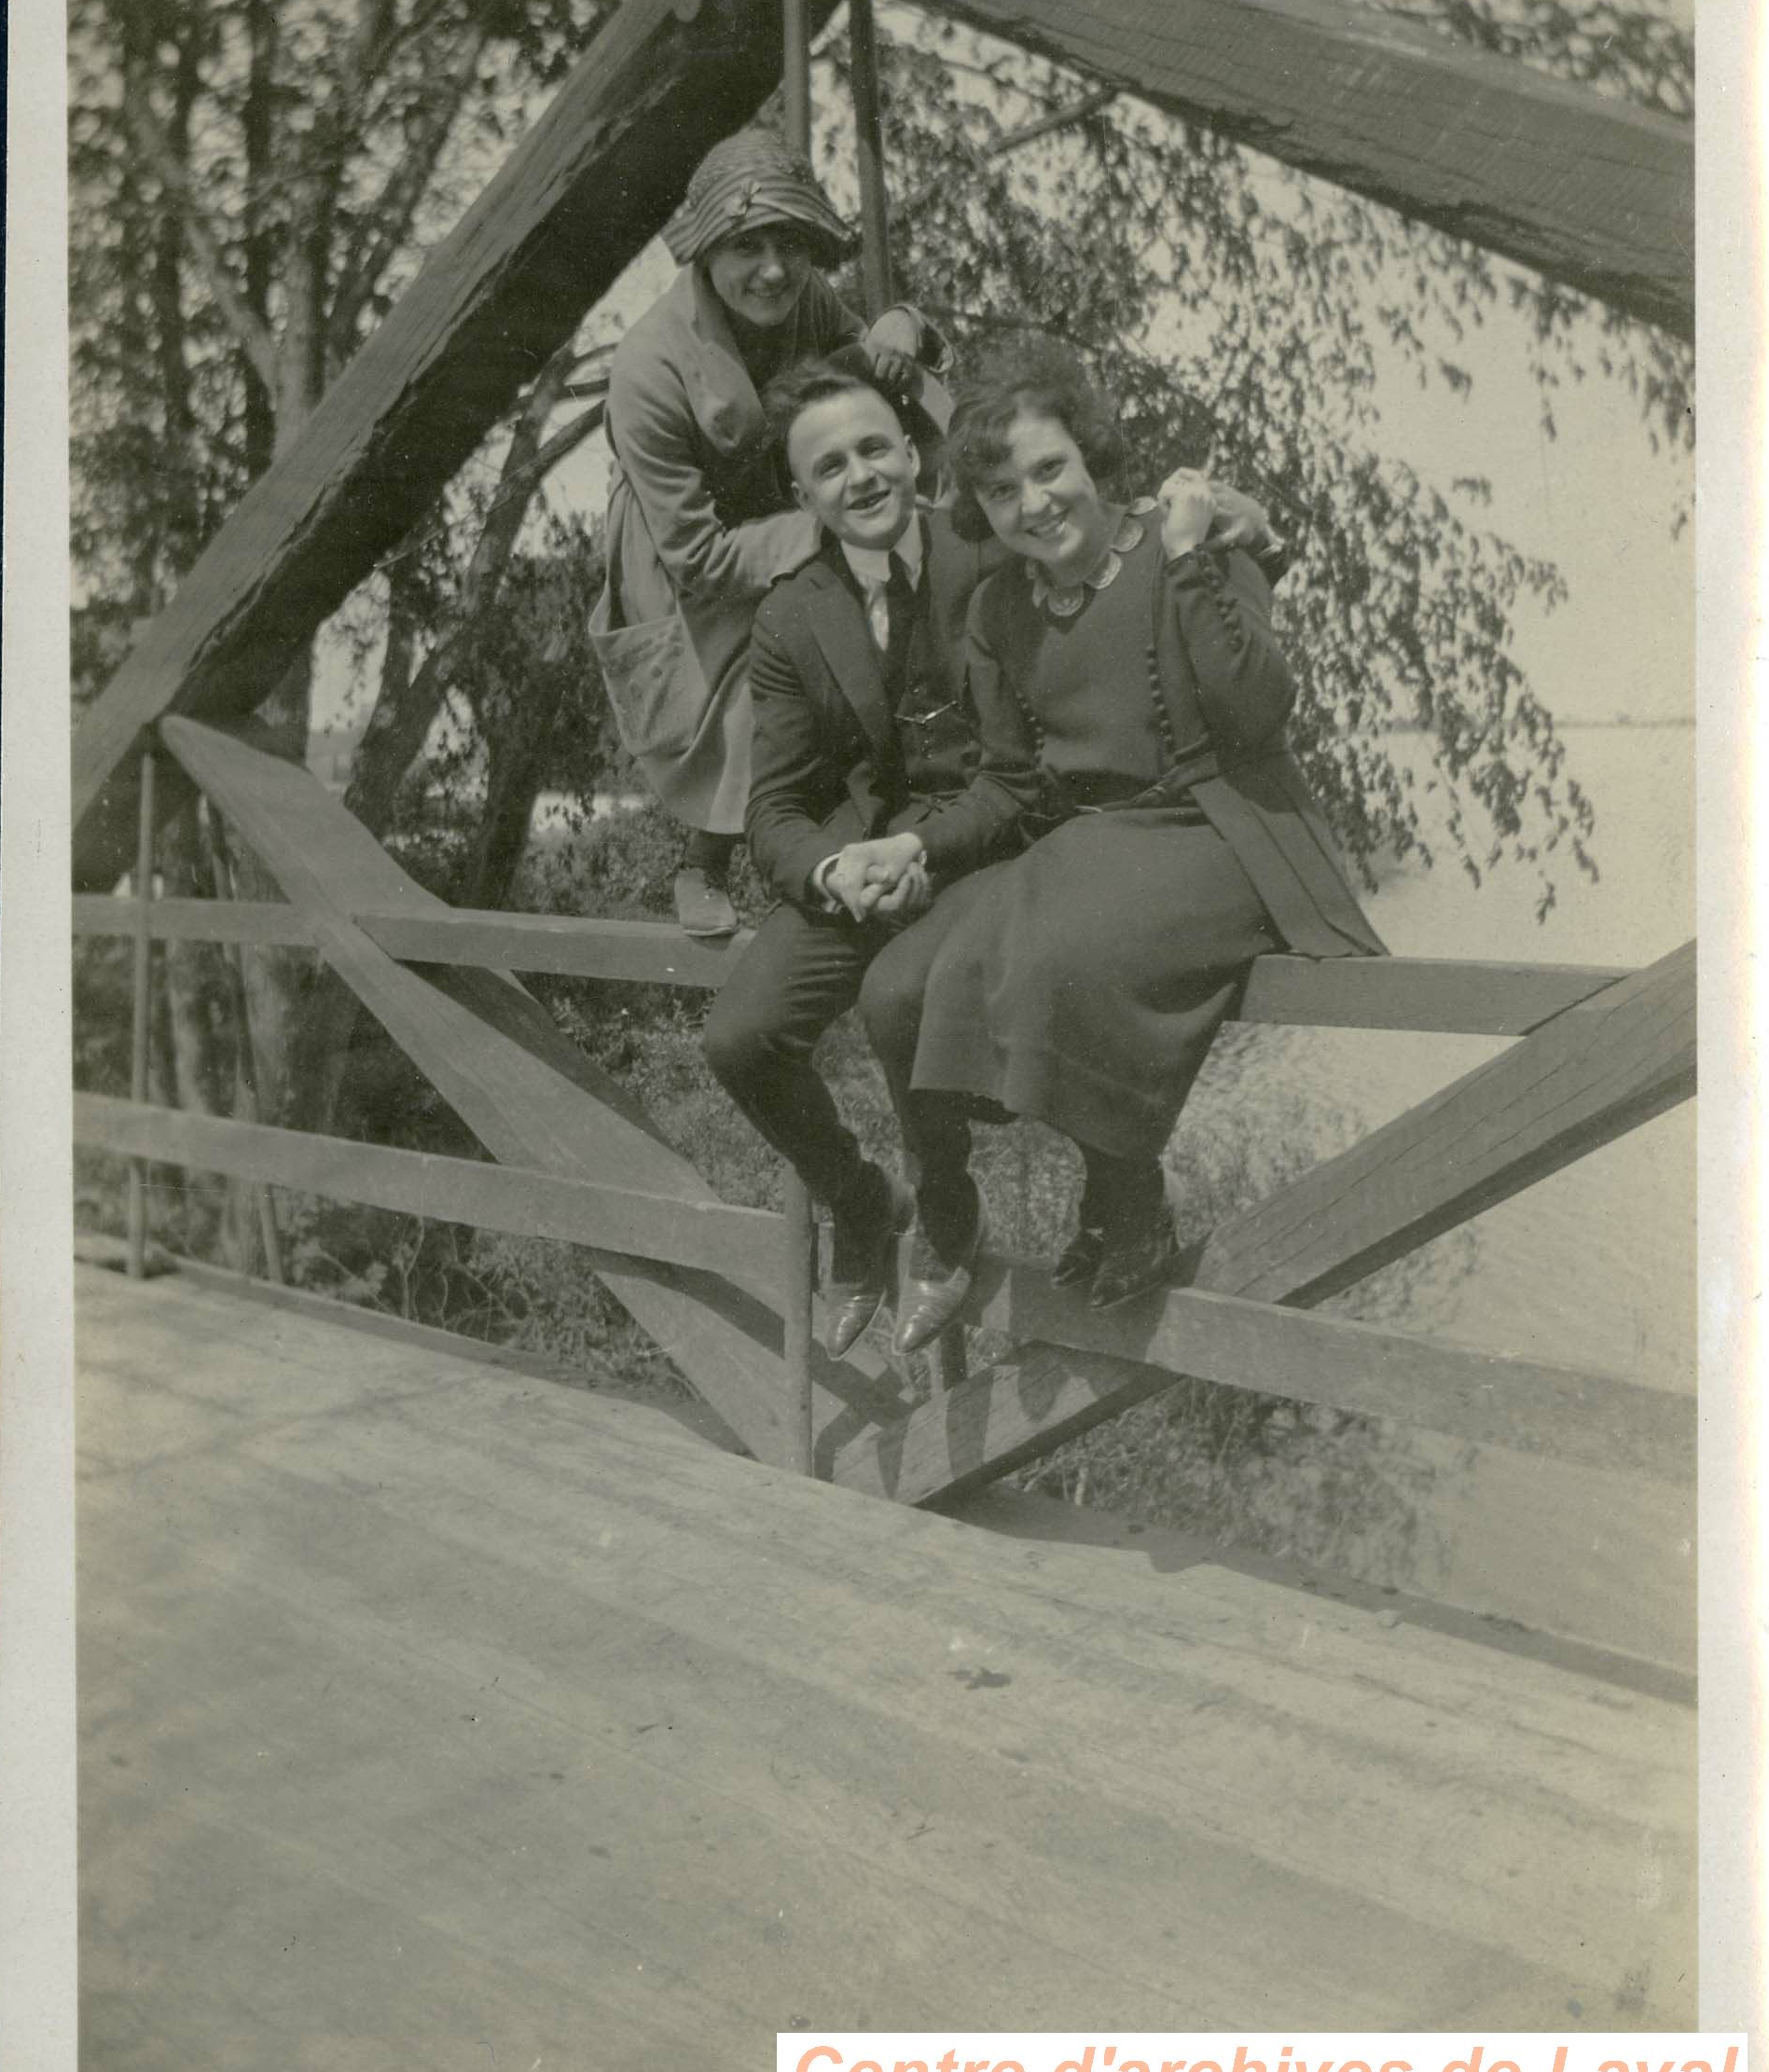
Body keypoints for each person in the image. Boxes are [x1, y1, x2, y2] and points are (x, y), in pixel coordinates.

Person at [860, 337, 1386, 1351]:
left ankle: (1127, 1197)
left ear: (1094, 458)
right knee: (891, 989)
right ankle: (947, 1209)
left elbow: (1260, 711)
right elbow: (1010, 782)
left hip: (1217, 827)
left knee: (1059, 955)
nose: (1036, 502)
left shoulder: (1191, 545)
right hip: (1090, 842)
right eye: (1005, 491)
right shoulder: (997, 609)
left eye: (1050, 468)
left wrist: (1193, 562)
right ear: (985, 510)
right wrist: (916, 847)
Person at [701, 346, 1015, 1354]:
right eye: (830, 468)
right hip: (869, 871)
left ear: (914, 455)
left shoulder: (991, 557)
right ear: (804, 494)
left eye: (875, 449)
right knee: (739, 1037)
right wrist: (836, 868)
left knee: (898, 997)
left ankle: (948, 1205)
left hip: (990, 848)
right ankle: (861, 1200)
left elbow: (1033, 768)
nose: (861, 478)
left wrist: (923, 844)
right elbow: (776, 808)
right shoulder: (793, 613)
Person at [590, 130, 944, 934]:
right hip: (683, 550)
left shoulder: (804, 299)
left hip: (777, 504)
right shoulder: (648, 366)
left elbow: (862, 356)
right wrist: (832, 532)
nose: (774, 269)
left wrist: (899, 324)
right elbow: (702, 558)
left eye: (791, 244)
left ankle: (876, 821)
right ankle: (702, 861)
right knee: (765, 659)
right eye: (748, 247)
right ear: (707, 251)